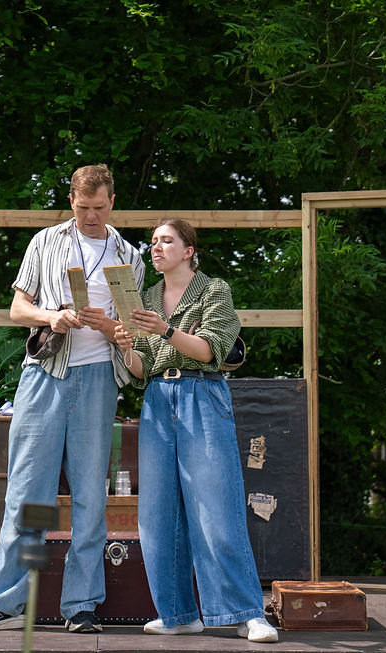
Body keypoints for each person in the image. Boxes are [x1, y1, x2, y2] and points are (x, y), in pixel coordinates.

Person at [0, 165, 146, 633]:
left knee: (89, 497)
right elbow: (17, 309)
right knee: (30, 495)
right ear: (71, 201)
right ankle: (7, 602)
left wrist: (112, 328)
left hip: (100, 380)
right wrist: (52, 316)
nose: (90, 216)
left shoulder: (130, 256)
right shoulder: (44, 242)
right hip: (44, 375)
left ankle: (81, 605)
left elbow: (134, 330)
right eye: (82, 208)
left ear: (112, 201)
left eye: (99, 208)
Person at [114, 218, 279, 643]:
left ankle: (248, 613)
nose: (156, 247)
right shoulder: (146, 296)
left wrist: (165, 329)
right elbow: (141, 370)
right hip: (156, 399)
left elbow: (211, 350)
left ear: (188, 250)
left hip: (201, 395)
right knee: (157, 514)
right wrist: (125, 345)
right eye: (153, 241)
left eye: (166, 240)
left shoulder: (213, 290)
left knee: (216, 507)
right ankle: (178, 613)